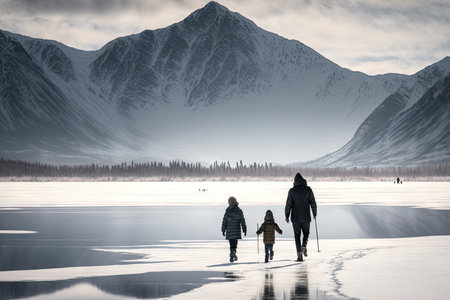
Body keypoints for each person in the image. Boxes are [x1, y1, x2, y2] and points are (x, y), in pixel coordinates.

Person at [285, 173, 317, 261]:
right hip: (306, 217)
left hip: (295, 218)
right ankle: (304, 245)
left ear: (295, 182)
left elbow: (288, 205)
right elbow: (313, 202)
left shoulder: (291, 191)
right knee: (306, 233)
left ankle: (299, 255)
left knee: (297, 235)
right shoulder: (308, 190)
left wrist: (287, 215)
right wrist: (314, 213)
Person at [222, 196, 247, 262]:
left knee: (231, 243)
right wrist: (244, 228)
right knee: (235, 243)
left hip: (229, 231)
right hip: (236, 230)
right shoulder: (238, 211)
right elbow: (242, 220)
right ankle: (233, 252)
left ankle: (232, 253)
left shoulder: (227, 211)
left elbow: (224, 221)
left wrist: (223, 229)